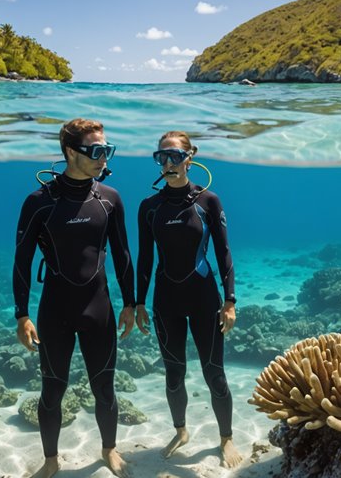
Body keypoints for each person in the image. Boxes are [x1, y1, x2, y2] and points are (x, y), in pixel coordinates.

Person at [12, 118, 136, 478]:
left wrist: (129, 303)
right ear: (70, 151)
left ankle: (109, 450)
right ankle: (51, 460)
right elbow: (22, 260)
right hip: (55, 311)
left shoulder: (110, 199)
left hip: (99, 309)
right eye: (96, 151)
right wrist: (22, 314)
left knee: (105, 388)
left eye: (107, 150)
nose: (104, 158)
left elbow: (123, 254)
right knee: (52, 391)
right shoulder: (39, 201)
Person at [134, 131, 242, 469]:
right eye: (161, 157)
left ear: (190, 157)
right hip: (166, 301)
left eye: (176, 156)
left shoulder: (208, 201)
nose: (169, 163)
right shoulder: (149, 207)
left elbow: (224, 252)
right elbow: (144, 258)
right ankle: (181, 431)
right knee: (173, 373)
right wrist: (138, 302)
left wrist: (230, 301)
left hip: (204, 297)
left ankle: (226, 438)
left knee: (215, 374)